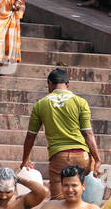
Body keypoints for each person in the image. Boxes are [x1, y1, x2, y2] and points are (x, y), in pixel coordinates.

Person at [21, 67, 104, 198]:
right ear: (67, 84)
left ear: (49, 83)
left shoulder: (41, 104)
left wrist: (25, 160)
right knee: (80, 200)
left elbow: (31, 136)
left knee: (58, 201)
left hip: (59, 157)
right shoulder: (80, 102)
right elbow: (88, 133)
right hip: (83, 157)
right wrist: (98, 159)